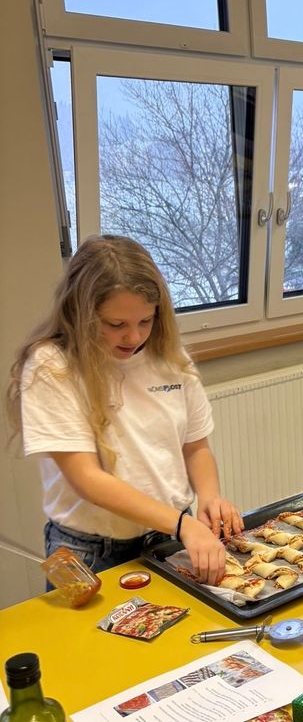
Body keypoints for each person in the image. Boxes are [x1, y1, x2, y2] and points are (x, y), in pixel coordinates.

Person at [7, 234, 243, 585]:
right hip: (89, 550)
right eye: (115, 324)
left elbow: (195, 446)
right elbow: (87, 478)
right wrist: (181, 523)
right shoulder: (52, 367)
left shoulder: (170, 361)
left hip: (168, 537)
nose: (133, 338)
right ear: (80, 313)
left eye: (145, 321)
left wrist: (209, 498)